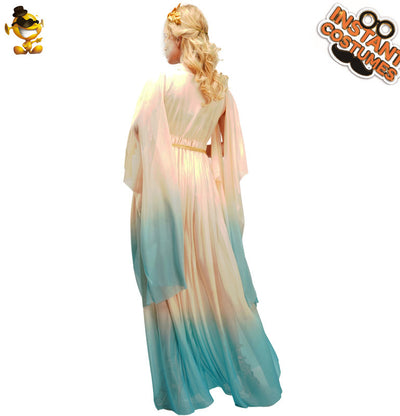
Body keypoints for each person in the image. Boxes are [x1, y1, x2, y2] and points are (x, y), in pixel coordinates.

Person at [123, 3, 282, 414]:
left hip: (166, 189)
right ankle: (246, 374)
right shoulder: (220, 90)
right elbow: (230, 156)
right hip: (205, 189)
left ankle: (183, 388)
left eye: (166, 37)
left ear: (179, 39)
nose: (163, 45)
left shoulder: (160, 83)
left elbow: (141, 137)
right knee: (214, 278)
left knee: (166, 275)